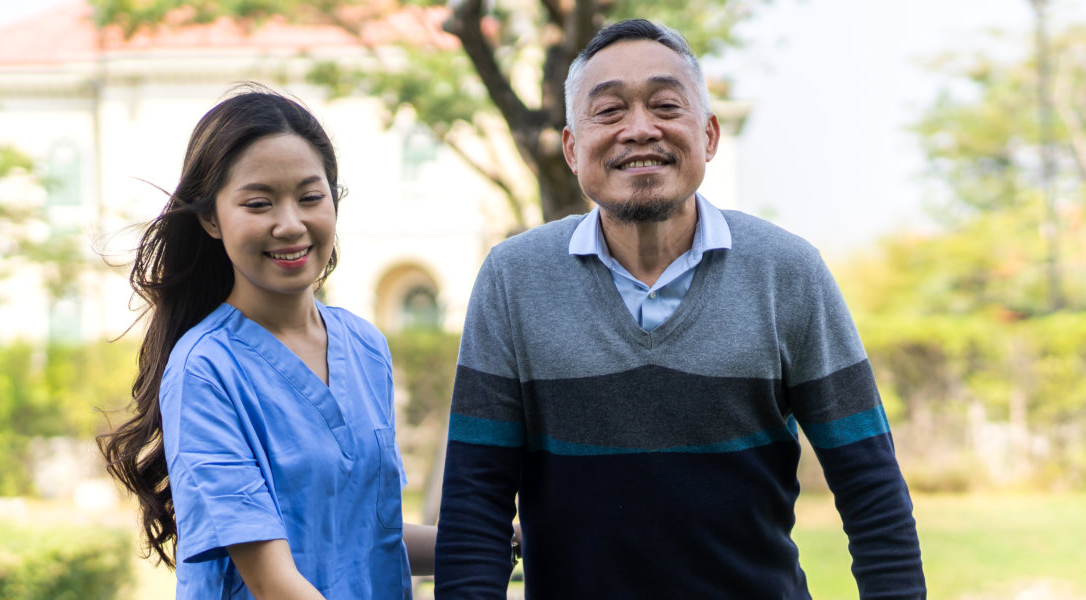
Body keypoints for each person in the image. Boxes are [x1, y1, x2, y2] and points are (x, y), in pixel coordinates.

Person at [434, 20, 926, 599]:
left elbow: (870, 488)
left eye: (666, 105)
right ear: (571, 147)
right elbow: (475, 505)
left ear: (710, 136)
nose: (640, 130)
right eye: (609, 111)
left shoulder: (787, 271)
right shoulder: (514, 279)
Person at [100, 85, 433, 600]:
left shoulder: (366, 346)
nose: (290, 224)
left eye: (310, 197)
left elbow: (369, 537)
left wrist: (514, 540)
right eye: (259, 203)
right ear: (211, 218)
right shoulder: (205, 370)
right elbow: (275, 582)